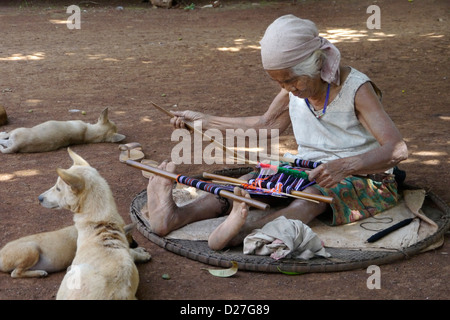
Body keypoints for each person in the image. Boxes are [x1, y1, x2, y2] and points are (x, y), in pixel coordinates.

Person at [145, 15, 408, 251]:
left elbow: (397, 149)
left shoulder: (357, 89)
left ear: (315, 65)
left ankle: (241, 232)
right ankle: (175, 216)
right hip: (307, 169)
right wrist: (205, 121)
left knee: (314, 197)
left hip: (364, 176)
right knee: (248, 182)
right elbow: (265, 125)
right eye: (279, 82)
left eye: (291, 80)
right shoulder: (293, 88)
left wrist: (345, 166)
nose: (287, 87)